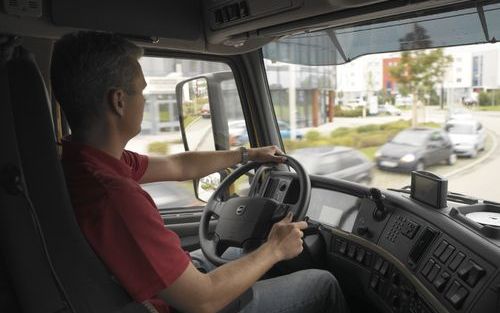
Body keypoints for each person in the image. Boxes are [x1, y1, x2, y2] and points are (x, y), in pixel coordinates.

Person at [51, 31, 348, 313]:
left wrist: (246, 154)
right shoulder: (114, 195)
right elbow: (204, 302)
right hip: (181, 305)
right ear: (118, 101)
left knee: (240, 254)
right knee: (323, 283)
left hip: (161, 291)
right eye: (141, 91)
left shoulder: (84, 162)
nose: (146, 99)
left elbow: (178, 165)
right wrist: (274, 249)